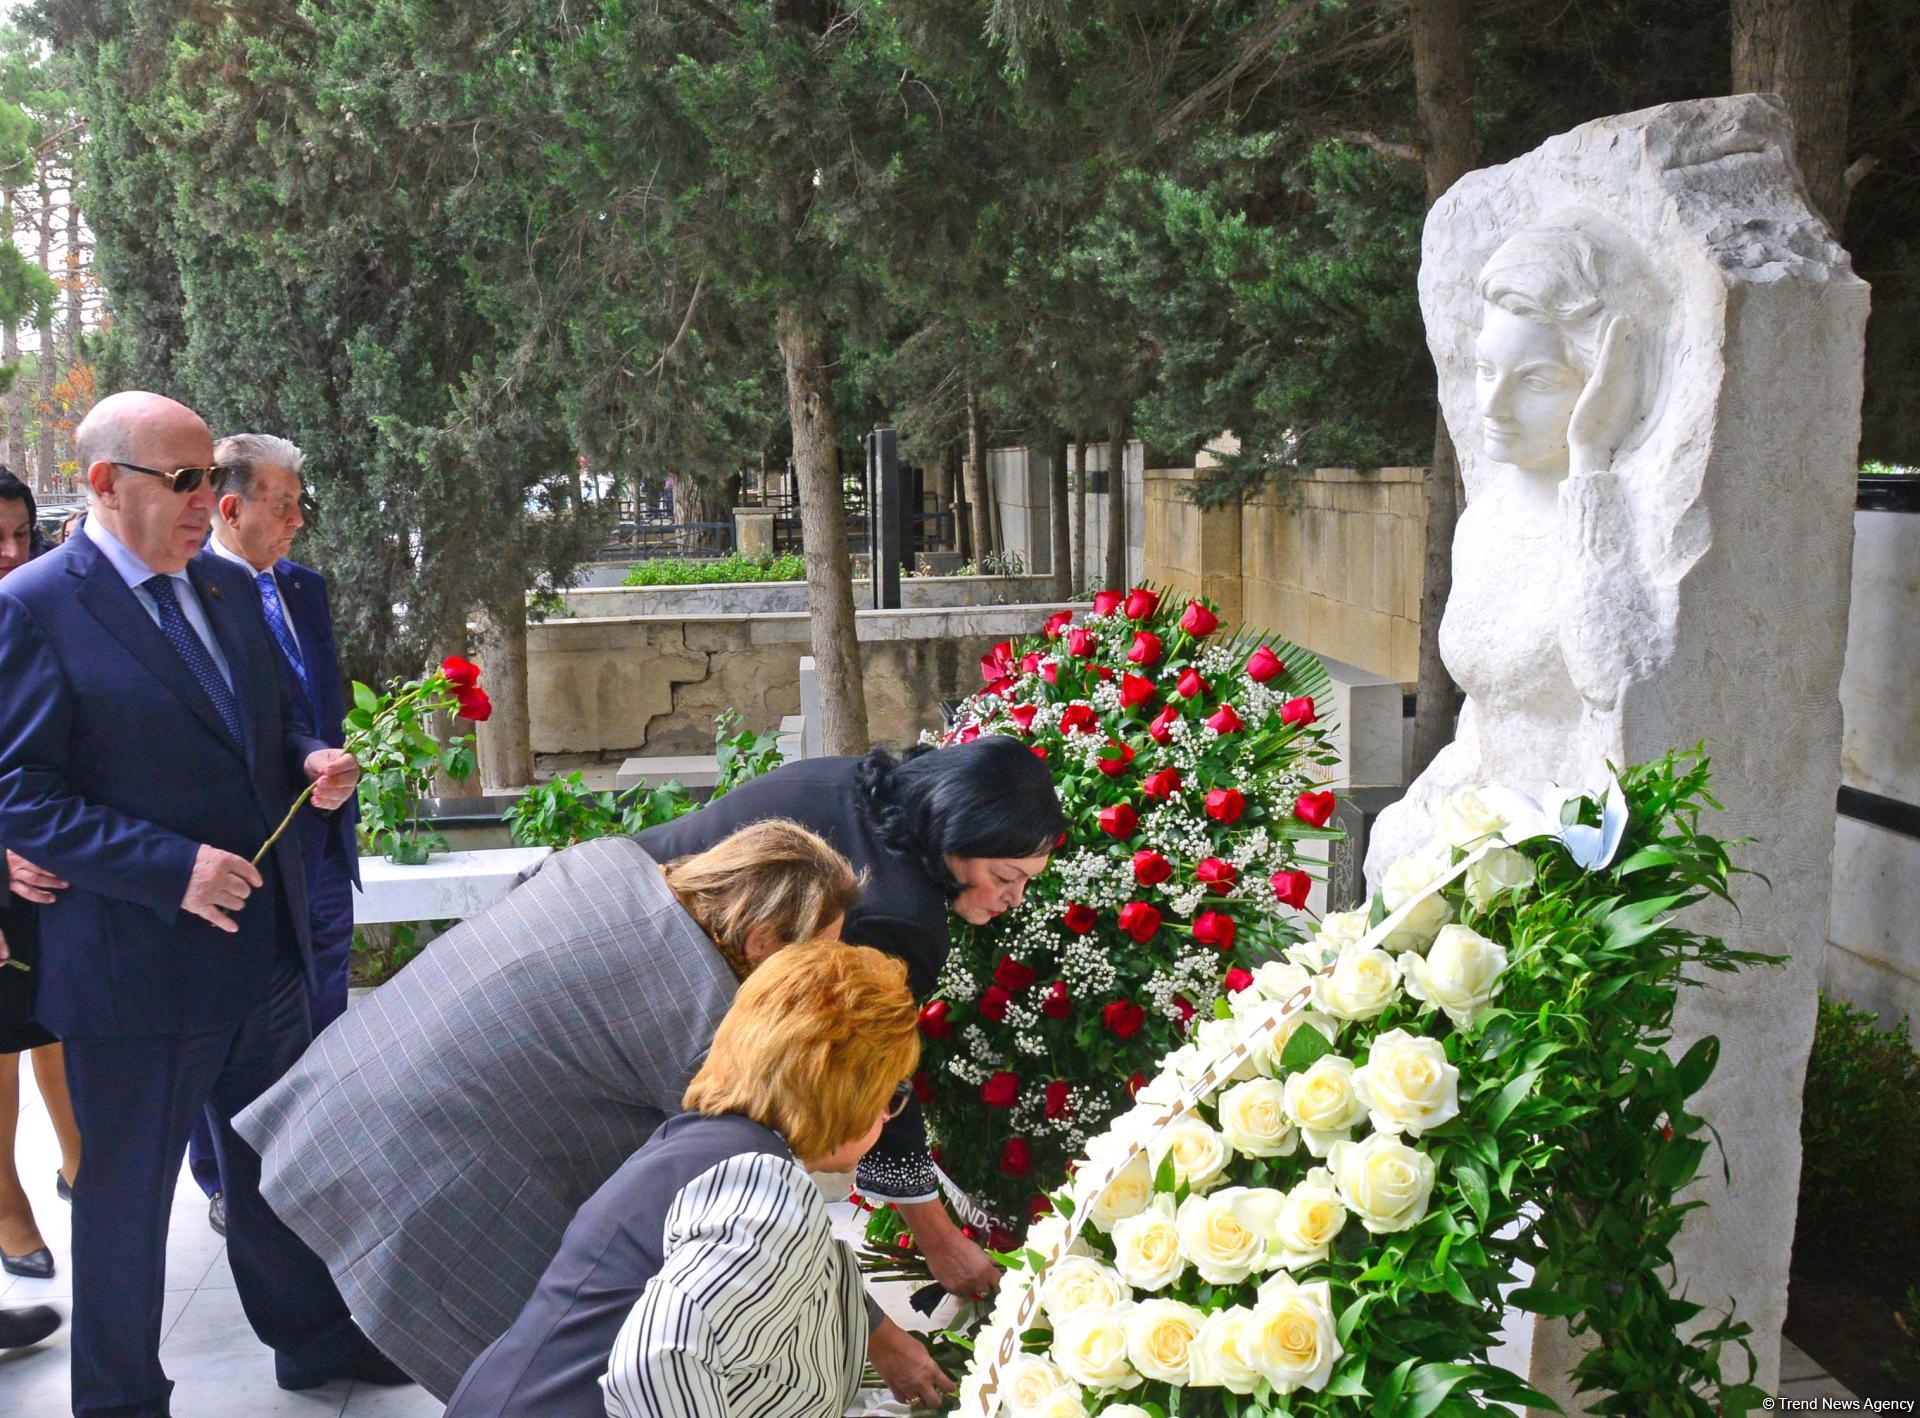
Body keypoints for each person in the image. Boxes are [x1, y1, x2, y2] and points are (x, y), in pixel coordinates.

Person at [0, 392, 396, 1416]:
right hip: (135, 970)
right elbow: (23, 796)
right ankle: (121, 1397)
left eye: (211, 481)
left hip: (260, 956)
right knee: (126, 1204)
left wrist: (308, 758)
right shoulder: (37, 604)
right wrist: (172, 866)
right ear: (102, 484)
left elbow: (264, 732)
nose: (206, 501)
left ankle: (311, 1340)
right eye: (184, 481)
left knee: (275, 1170)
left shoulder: (224, 588)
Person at [236, 818, 923, 1402]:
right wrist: (879, 1336)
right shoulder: (708, 1018)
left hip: (356, 1066)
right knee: (546, 1360)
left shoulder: (606, 865)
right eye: (819, 949)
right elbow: (757, 1199)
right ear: (764, 942)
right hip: (422, 1154)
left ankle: (323, 1347)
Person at [634, 735, 1066, 1304]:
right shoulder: (899, 913)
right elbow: (868, 1071)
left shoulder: (851, 782)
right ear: (958, 836)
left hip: (605, 897)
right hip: (647, 998)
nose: (1016, 897)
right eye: (1007, 875)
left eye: (1029, 880)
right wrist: (938, 1238)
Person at [445, 939, 918, 1418]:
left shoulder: (707, 1142)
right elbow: (659, 1361)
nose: (888, 1114)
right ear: (845, 1090)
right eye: (888, 1094)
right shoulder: (764, 1186)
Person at [187, 434, 356, 1238]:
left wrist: (336, 766)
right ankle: (226, 1181)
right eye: (285, 506)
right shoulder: (191, 598)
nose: (298, 521)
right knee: (231, 1035)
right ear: (232, 507)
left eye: (299, 504)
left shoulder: (304, 588)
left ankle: (304, 1171)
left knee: (319, 1012)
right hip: (248, 857)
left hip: (323, 844)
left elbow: (315, 710)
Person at [0, 470, 83, 1283]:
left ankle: (78, 1164)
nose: (10, 552)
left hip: (54, 865)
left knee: (59, 1022)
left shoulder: (36, 609)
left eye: (21, 534)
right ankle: (6, 1202)